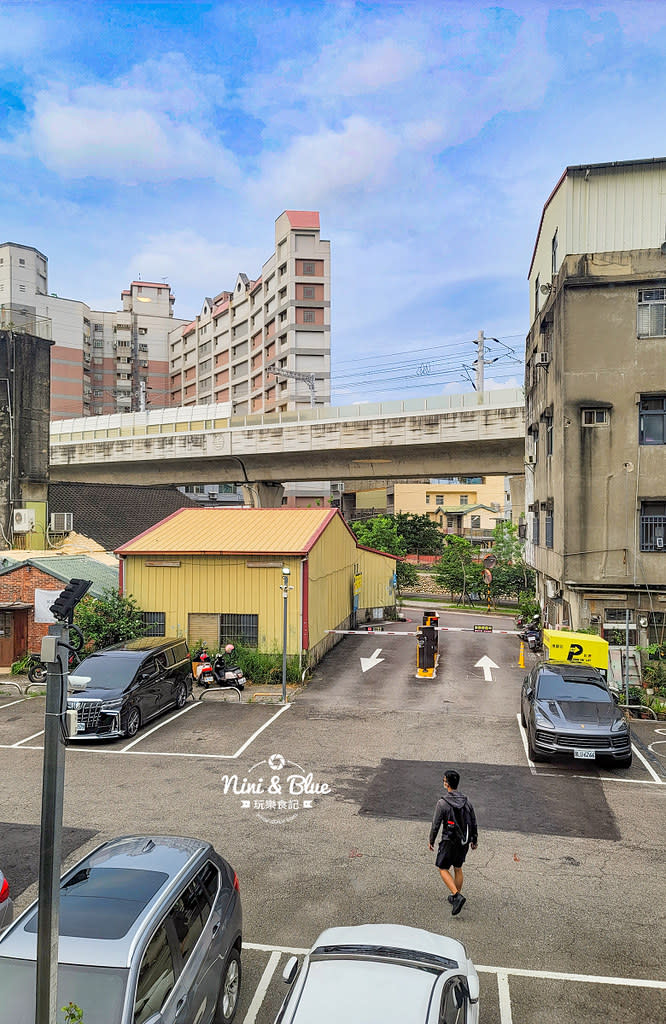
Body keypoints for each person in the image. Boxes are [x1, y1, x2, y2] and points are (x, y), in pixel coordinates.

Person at [428, 769, 478, 916]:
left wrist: (431, 840)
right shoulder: (467, 802)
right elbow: (473, 822)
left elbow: (436, 824)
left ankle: (456, 896)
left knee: (442, 868)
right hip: (463, 842)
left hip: (449, 841)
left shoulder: (442, 803)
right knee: (458, 867)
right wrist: (474, 840)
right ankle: (456, 895)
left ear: (446, 783)